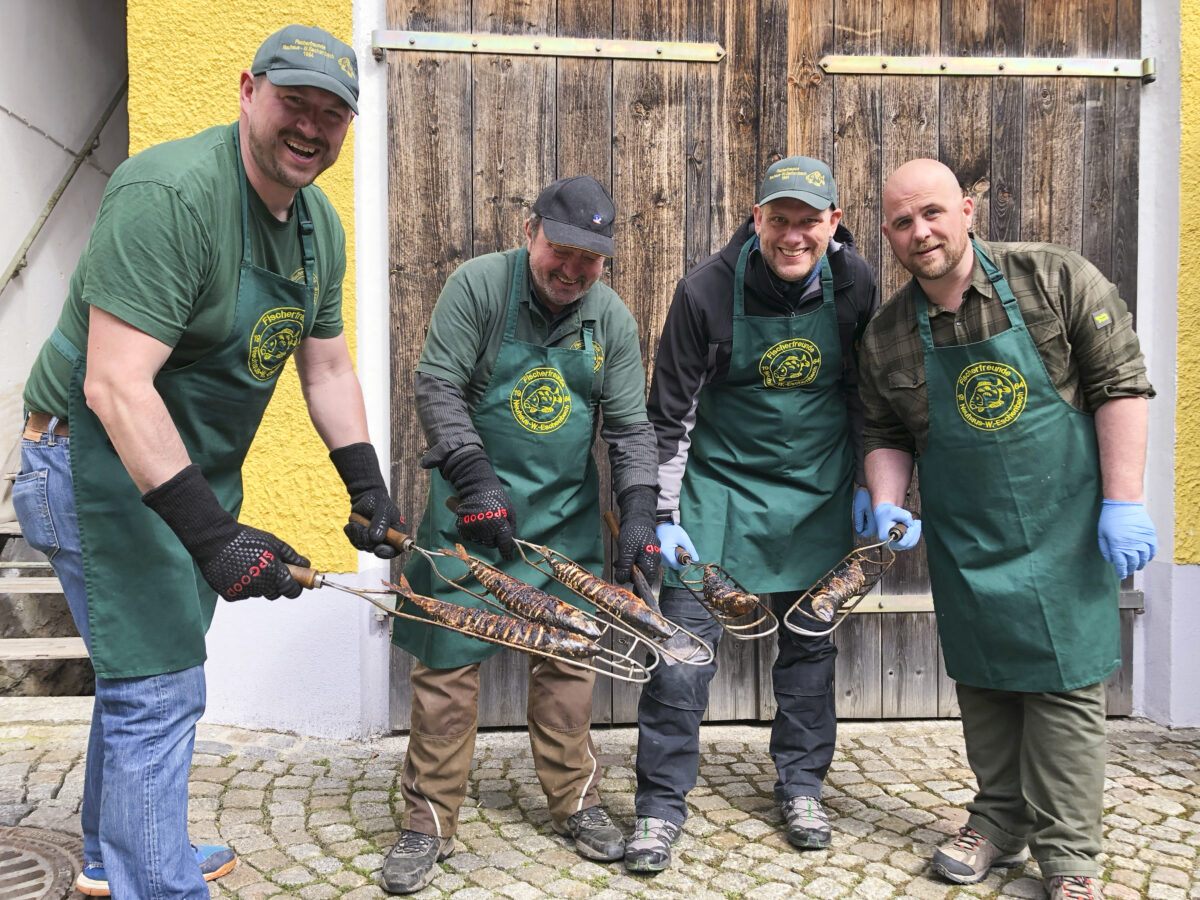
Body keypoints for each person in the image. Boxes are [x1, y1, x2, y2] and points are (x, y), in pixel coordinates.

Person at [12, 25, 404, 900]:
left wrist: (366, 488)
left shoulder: (317, 228)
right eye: (293, 103)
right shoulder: (172, 195)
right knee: (159, 688)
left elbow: (327, 363)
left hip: (172, 473)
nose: (310, 128)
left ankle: (113, 859)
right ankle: (157, 880)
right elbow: (115, 387)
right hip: (91, 465)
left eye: (331, 114)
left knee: (146, 674)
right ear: (246, 91)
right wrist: (215, 537)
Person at [860, 158, 1157, 900]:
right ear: (889, 235)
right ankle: (998, 822)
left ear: (966, 209)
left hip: (1065, 525)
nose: (920, 232)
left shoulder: (1052, 279)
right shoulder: (890, 333)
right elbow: (883, 429)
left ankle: (1070, 858)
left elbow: (1121, 382)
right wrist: (888, 498)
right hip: (970, 535)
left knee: (1063, 687)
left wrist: (1124, 499)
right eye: (902, 222)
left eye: (932, 212)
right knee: (983, 682)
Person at [384, 175, 660, 894]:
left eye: (590, 259)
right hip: (468, 519)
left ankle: (576, 800)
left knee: (570, 666)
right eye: (561, 251)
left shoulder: (611, 319)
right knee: (446, 673)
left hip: (563, 523)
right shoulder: (479, 286)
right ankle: (427, 822)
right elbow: (437, 385)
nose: (572, 270)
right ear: (533, 231)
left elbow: (630, 428)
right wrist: (474, 481)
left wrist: (637, 512)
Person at [624, 156, 879, 873]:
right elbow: (668, 417)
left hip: (819, 499)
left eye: (809, 220)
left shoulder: (856, 283)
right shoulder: (705, 291)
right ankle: (659, 808)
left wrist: (869, 481)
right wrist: (664, 514)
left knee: (809, 653)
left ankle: (802, 787)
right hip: (720, 499)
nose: (793, 234)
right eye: (780, 218)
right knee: (681, 658)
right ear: (756, 217)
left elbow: (868, 393)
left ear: (833, 224)